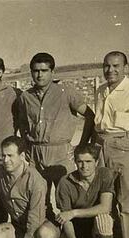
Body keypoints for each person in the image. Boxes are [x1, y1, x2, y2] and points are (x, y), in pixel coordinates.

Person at [17, 52, 95, 221]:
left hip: (61, 153)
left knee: (69, 198)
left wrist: (81, 145)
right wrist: (26, 149)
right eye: (36, 71)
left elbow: (90, 115)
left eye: (44, 70)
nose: (39, 75)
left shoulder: (66, 92)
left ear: (53, 72)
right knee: (39, 199)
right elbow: (22, 125)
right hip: (35, 154)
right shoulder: (25, 97)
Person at [56, 144, 114, 238]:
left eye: (88, 162)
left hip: (96, 229)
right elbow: (65, 219)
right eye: (80, 161)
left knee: (104, 219)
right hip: (75, 231)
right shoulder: (65, 182)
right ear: (75, 162)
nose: (84, 166)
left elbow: (105, 207)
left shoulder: (104, 174)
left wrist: (74, 212)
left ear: (96, 162)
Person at [94, 51, 129, 238]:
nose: (111, 70)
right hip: (101, 147)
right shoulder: (101, 90)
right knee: (104, 200)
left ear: (125, 67)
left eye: (116, 66)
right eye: (107, 66)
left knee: (126, 203)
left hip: (123, 147)